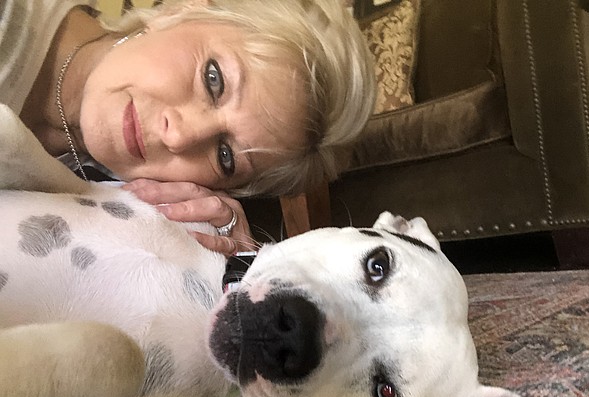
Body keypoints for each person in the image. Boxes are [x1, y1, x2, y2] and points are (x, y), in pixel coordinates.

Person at [0, 0, 375, 255]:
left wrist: (225, 263)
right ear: (183, 9)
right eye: (214, 80)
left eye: (224, 156)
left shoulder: (104, 188)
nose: (178, 136)